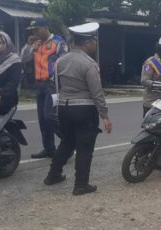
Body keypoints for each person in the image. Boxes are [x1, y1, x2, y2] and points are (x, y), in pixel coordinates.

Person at [43, 23, 112, 195]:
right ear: (88, 42)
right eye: (94, 41)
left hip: (64, 108)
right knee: (85, 147)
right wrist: (105, 115)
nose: (95, 45)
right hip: (84, 109)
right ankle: (81, 185)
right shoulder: (89, 64)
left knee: (67, 142)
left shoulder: (60, 61)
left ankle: (53, 175)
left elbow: (57, 86)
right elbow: (97, 92)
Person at [20, 18, 67, 159]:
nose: (35, 32)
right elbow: (24, 59)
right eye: (33, 30)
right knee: (42, 119)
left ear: (46, 27)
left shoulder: (58, 42)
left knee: (50, 116)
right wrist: (29, 45)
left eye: (37, 29)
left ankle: (68, 142)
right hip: (39, 84)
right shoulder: (36, 44)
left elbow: (65, 62)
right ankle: (49, 149)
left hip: (53, 85)